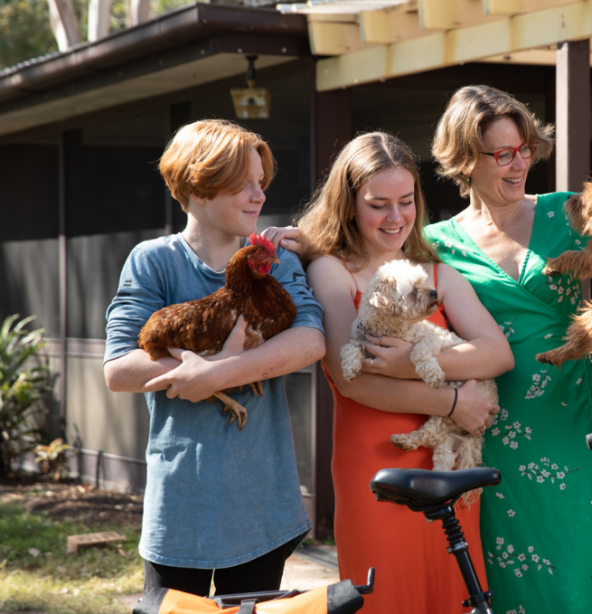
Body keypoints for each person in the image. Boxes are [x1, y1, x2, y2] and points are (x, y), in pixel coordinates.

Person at [424, 84, 592, 614]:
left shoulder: (566, 212)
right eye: (503, 153)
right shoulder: (433, 240)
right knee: (510, 577)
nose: (519, 163)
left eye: (525, 148)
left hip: (574, 418)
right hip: (494, 427)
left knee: (585, 565)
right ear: (465, 158)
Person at [290, 132, 513, 614]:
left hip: (447, 462)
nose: (395, 218)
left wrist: (412, 363)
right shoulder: (331, 271)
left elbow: (498, 354)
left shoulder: (435, 274)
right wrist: (453, 402)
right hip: (376, 464)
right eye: (378, 204)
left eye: (406, 202)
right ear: (349, 205)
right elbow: (353, 378)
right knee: (385, 595)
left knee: (451, 592)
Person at [103, 119, 326, 597]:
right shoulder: (154, 261)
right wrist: (207, 367)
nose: (258, 195)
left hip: (262, 502)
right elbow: (120, 369)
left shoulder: (273, 259)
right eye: (242, 184)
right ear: (199, 189)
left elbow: (310, 341)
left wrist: (217, 372)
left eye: (260, 183)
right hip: (183, 506)